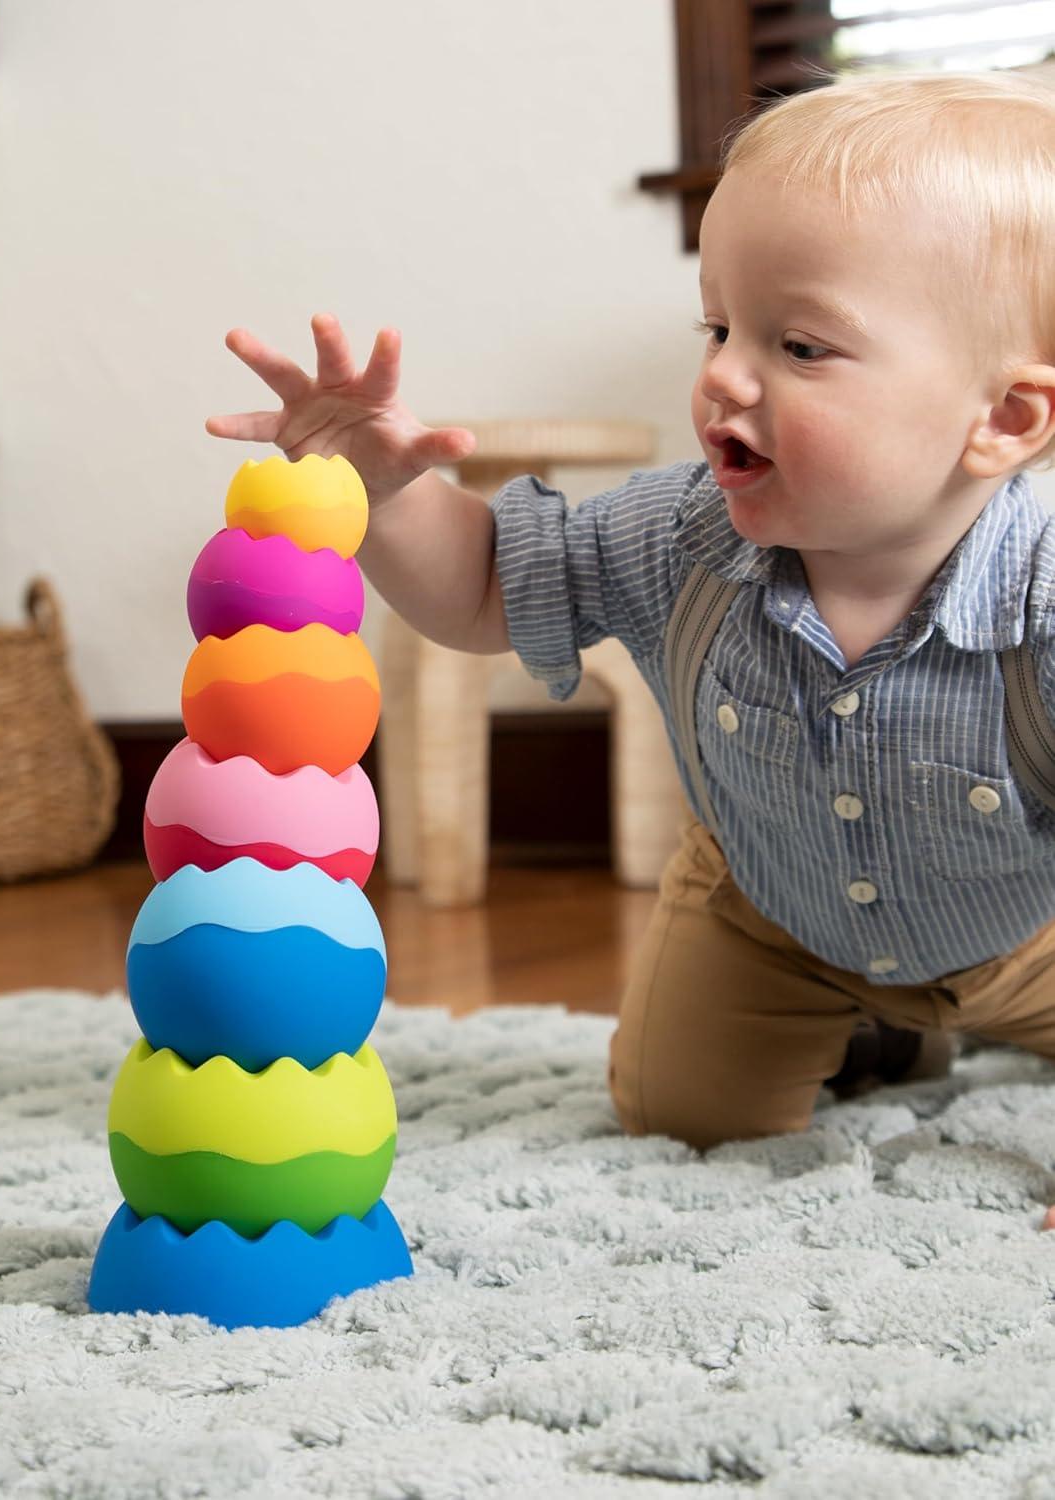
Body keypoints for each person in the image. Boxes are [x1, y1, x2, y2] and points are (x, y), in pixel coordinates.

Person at [206, 71, 1055, 1216]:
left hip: (1025, 932)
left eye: (799, 346)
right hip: (773, 915)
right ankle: (886, 1041)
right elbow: (484, 594)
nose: (720, 376)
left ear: (1003, 421)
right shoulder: (680, 535)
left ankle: (931, 1028)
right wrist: (391, 496)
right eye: (718, 326)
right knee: (679, 1110)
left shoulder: (1044, 598)